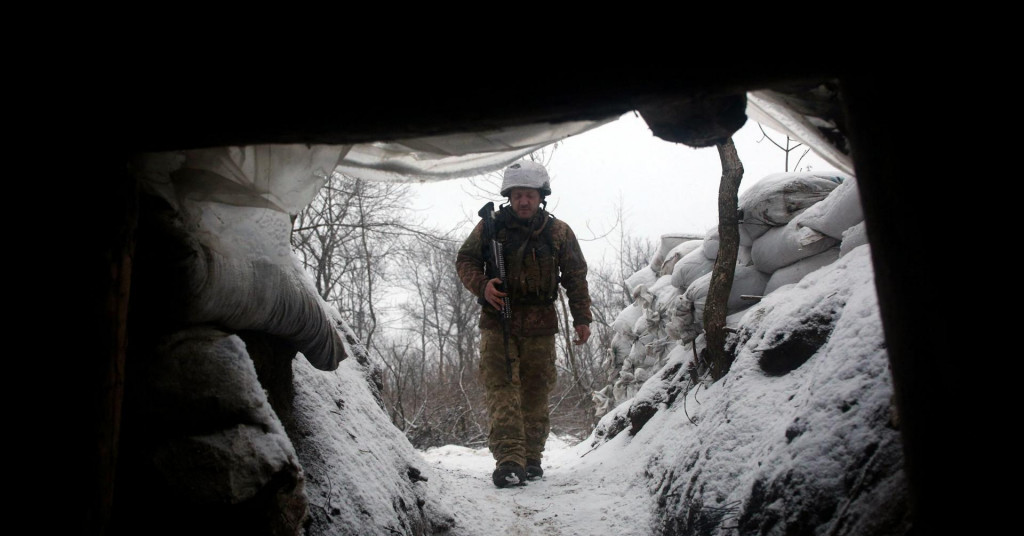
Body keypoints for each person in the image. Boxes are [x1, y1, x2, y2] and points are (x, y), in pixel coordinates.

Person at [456, 159, 592, 488]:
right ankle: (509, 460)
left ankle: (531, 458)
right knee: (502, 391)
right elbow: (466, 260)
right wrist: (483, 285)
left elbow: (575, 275)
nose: (524, 201)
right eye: (517, 195)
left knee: (535, 393)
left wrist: (582, 317)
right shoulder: (491, 227)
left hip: (541, 324)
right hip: (496, 320)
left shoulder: (558, 232)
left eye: (529, 195)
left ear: (540, 196)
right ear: (509, 196)